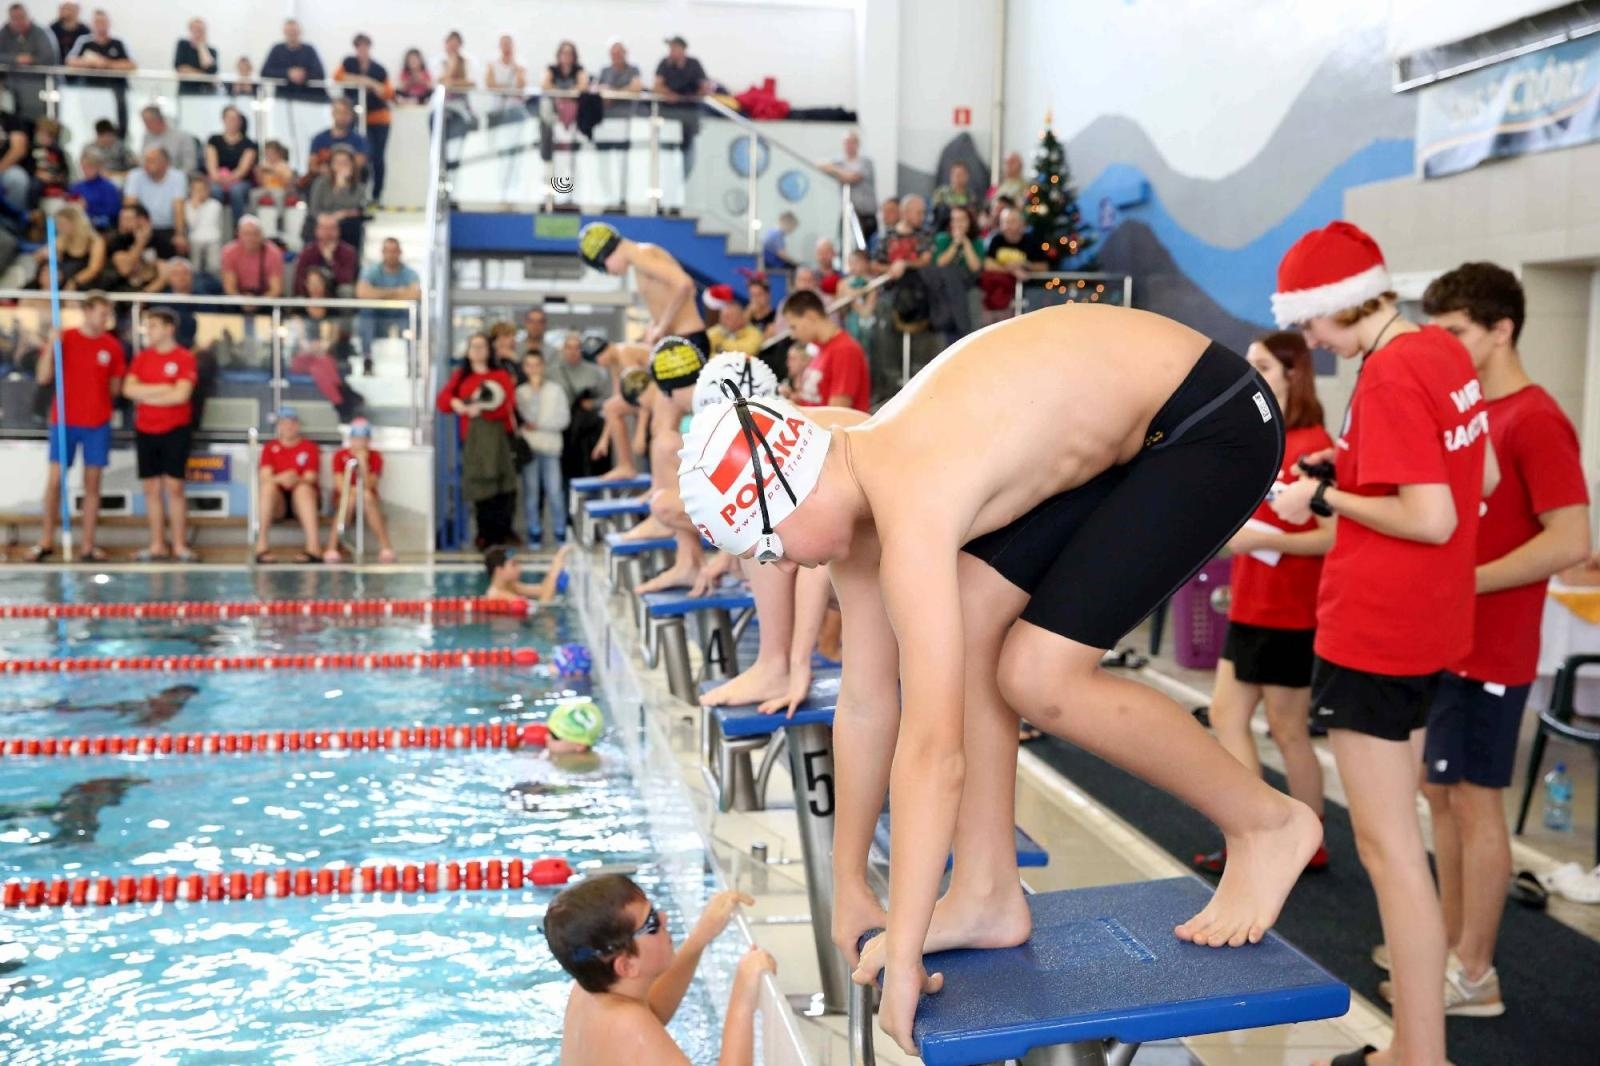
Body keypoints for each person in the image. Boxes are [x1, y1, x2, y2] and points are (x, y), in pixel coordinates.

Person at [678, 303, 1319, 1055]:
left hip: (1210, 419)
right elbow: (868, 701)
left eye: (769, 548)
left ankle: (1267, 824)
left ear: (790, 494)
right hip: (1132, 423)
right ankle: (985, 891)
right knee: (976, 614)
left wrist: (905, 947)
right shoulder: (852, 460)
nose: (783, 566)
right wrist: (849, 880)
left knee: (1041, 676)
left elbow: (933, 751)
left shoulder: (911, 501)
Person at [1266, 222, 1492, 1066]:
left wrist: (1324, 502)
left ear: (1345, 302)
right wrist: (1341, 477)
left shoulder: (1391, 370)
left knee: (1390, 852)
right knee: (1403, 847)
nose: (1313, 340)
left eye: (1313, 322)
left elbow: (1430, 517)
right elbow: (1477, 482)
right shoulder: (1440, 350)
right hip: (1431, 625)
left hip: (1376, 633)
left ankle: (1418, 1053)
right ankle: (1414, 1046)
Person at [1400, 262, 1590, 1018]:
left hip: (1494, 647)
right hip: (1450, 641)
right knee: (1440, 795)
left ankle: (1475, 974)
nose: (1443, 347)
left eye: (1456, 333)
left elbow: (1571, 540)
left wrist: (1465, 582)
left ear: (1501, 330)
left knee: (1476, 803)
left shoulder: (1535, 418)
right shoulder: (1474, 413)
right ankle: (1449, 947)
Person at [1193, 332, 1333, 876]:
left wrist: (1260, 540)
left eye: (1264, 367)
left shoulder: (1314, 446)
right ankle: (1255, 831)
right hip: (1252, 602)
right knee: (1226, 715)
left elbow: (1334, 537)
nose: (1253, 375)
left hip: (1289, 609)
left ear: (1294, 374)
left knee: (1287, 729)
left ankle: (1309, 838)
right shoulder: (1266, 435)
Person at [544, 875, 773, 1066]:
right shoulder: (630, 1025)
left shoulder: (589, 991)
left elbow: (653, 1012)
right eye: (652, 923)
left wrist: (701, 936)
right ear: (626, 966)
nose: (664, 917)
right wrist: (743, 999)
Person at [27, 291, 123, 563]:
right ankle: (46, 540)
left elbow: (115, 387)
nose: (105, 319)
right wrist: (51, 344)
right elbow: (43, 377)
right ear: (87, 311)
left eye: (108, 314)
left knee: (92, 484)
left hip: (97, 422)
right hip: (64, 420)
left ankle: (87, 545)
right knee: (55, 481)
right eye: (102, 313)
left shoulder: (112, 346)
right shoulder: (65, 338)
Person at [123, 308, 197, 563]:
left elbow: (181, 395)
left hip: (175, 429)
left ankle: (179, 544)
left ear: (169, 328)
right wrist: (164, 388)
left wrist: (147, 394)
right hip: (146, 428)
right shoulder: (142, 358)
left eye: (153, 325)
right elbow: (128, 390)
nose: (148, 331)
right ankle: (157, 544)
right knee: (151, 488)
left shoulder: (184, 358)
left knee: (174, 487)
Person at [439, 333, 519, 549]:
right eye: (473, 346)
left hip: (498, 440)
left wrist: (482, 409)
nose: (477, 351)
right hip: (473, 442)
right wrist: (456, 403)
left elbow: (508, 406)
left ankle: (499, 534)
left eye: (481, 346)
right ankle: (484, 535)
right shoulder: (461, 376)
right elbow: (443, 401)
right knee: (479, 487)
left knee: (502, 488)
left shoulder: (500, 376)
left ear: (489, 350)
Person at [516, 350, 571, 547]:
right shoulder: (521, 392)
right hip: (530, 449)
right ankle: (534, 531)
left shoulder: (556, 390)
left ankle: (560, 531)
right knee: (531, 493)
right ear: (524, 368)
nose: (533, 369)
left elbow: (563, 419)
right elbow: (525, 418)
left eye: (537, 365)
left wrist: (540, 425)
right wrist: (535, 393)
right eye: (529, 365)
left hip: (551, 448)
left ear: (543, 366)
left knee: (555, 491)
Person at [781, 289, 870, 411]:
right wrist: (793, 400)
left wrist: (795, 408)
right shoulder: (820, 349)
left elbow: (837, 413)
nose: (793, 335)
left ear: (810, 316)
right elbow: (817, 402)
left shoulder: (845, 350)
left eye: (793, 327)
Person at [323, 417, 396, 563]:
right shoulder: (340, 455)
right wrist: (356, 491)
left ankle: (385, 547)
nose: (360, 443)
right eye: (356, 439)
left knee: (367, 496)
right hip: (344, 498)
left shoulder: (375, 457)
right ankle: (332, 547)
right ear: (350, 439)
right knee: (350, 499)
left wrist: (363, 462)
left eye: (363, 439)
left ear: (369, 440)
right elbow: (341, 486)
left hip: (367, 500)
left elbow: (369, 485)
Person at [254, 406, 321, 564]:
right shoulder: (270, 448)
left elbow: (311, 477)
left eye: (292, 423)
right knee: (268, 488)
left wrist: (295, 479)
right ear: (279, 426)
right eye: (284, 423)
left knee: (303, 489)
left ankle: (314, 547)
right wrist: (282, 478)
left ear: (298, 425)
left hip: (302, 503)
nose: (288, 426)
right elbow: (265, 476)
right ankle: (261, 546)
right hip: (279, 505)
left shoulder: (309, 447)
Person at [335, 34, 393, 200]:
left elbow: (387, 92)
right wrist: (361, 80)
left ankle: (376, 195)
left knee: (377, 157)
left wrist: (371, 83)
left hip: (377, 118)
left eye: (365, 46)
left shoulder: (379, 69)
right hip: (355, 118)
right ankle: (355, 192)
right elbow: (338, 77)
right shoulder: (349, 63)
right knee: (355, 155)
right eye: (359, 46)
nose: (362, 49)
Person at [63, 7, 132, 137]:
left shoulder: (118, 43)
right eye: (97, 22)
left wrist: (107, 64)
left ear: (109, 24)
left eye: (103, 22)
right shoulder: (85, 42)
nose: (100, 26)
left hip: (115, 91)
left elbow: (130, 64)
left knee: (116, 123)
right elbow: (70, 61)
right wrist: (90, 63)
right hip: (91, 90)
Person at [355, 237, 420, 365]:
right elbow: (362, 293)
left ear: (400, 252)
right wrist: (398, 292)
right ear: (382, 252)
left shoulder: (410, 273)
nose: (391, 255)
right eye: (388, 251)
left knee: (412, 315)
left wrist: (377, 293)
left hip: (400, 316)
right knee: (366, 313)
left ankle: (411, 361)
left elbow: (415, 294)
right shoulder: (371, 271)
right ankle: (367, 359)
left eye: (394, 251)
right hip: (377, 316)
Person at [653, 35, 708, 173]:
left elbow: (704, 87)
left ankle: (684, 176)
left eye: (674, 47)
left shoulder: (694, 64)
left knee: (688, 149)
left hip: (688, 115)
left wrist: (689, 96)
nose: (671, 51)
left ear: (682, 49)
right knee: (666, 148)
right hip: (668, 114)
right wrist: (670, 94)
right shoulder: (664, 64)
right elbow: (657, 86)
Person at [121, 147, 187, 258]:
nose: (146, 164)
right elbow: (130, 206)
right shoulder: (134, 175)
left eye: (151, 161)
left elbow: (178, 208)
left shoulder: (178, 177)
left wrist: (179, 234)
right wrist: (141, 228)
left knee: (178, 245)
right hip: (140, 226)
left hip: (167, 227)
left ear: (165, 163)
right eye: (145, 160)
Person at [0, 3, 59, 121]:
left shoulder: (41, 33)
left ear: (27, 16)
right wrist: (15, 59)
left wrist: (32, 59)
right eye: (14, 18)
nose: (18, 22)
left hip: (39, 87)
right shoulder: (4, 33)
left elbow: (49, 57)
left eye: (21, 17)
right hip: (10, 87)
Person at [819, 130, 877, 246]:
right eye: (846, 142)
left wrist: (838, 172)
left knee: (863, 247)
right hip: (847, 213)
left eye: (852, 142)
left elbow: (853, 178)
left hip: (866, 214)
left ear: (858, 144)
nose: (849, 146)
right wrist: (840, 172)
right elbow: (820, 164)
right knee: (843, 245)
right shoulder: (839, 162)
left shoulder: (865, 162)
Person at [29, 201, 102, 290]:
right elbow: (37, 257)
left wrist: (74, 282)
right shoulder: (61, 239)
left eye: (63, 224)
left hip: (83, 282)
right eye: (58, 224)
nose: (60, 228)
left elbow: (93, 269)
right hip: (61, 281)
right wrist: (44, 254)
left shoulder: (94, 241)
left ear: (75, 223)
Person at [304, 145, 365, 247]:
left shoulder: (358, 187)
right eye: (337, 162)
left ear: (352, 164)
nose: (341, 166)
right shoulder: (321, 182)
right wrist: (327, 219)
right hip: (321, 220)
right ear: (331, 164)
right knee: (314, 225)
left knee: (351, 225)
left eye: (345, 162)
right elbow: (314, 208)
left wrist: (342, 187)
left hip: (344, 223)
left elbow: (353, 207)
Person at [203, 104, 256, 222]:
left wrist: (229, 179)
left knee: (236, 191)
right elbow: (211, 164)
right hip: (217, 179)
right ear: (223, 120)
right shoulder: (214, 140)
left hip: (240, 181)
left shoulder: (249, 144)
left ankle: (239, 226)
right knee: (215, 190)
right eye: (229, 118)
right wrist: (217, 177)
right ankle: (214, 224)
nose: (232, 121)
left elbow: (243, 169)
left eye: (235, 118)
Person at [219, 214, 284, 309]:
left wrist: (258, 303)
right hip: (237, 299)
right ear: (238, 234)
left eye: (255, 234)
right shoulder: (229, 252)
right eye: (247, 234)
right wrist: (243, 301)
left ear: (261, 235)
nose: (251, 238)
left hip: (265, 300)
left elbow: (276, 289)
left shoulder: (274, 253)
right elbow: (229, 288)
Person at [307, 98, 371, 184]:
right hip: (324, 183)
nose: (342, 116)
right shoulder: (319, 139)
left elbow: (359, 163)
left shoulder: (359, 140)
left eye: (346, 113)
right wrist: (322, 170)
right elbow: (312, 165)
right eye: (339, 112)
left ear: (351, 115)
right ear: (333, 113)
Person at [260, 19, 325, 102]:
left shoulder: (309, 50)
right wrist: (287, 73)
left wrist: (303, 74)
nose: (292, 34)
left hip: (308, 97)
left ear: (300, 32)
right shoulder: (277, 49)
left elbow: (320, 74)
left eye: (294, 31)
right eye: (289, 31)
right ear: (284, 32)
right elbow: (265, 72)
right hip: (282, 97)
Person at [294, 213, 358, 297]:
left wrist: (331, 261)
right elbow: (299, 280)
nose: (328, 232)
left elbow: (346, 279)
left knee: (346, 290)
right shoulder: (307, 252)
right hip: (311, 293)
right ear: (317, 230)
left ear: (338, 231)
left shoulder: (348, 252)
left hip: (336, 293)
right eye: (324, 228)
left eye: (332, 228)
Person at [245, 140, 297, 239]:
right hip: (266, 188)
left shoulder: (283, 165)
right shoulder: (264, 164)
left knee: (279, 195)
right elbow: (260, 182)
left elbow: (288, 181)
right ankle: (253, 216)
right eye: (267, 154)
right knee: (253, 194)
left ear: (278, 154)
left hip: (279, 188)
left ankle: (280, 218)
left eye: (272, 154)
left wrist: (274, 171)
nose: (269, 157)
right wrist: (258, 173)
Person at [483, 544, 570, 603]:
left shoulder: (511, 585)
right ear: (499, 571)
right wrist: (557, 562)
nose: (519, 568)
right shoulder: (496, 596)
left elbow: (542, 589)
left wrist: (555, 568)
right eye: (514, 564)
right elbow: (544, 605)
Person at [177, 172, 222, 276]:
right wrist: (195, 207)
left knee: (214, 265)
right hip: (195, 239)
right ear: (191, 191)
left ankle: (213, 278)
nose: (200, 193)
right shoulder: (188, 205)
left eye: (202, 189)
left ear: (208, 190)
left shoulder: (215, 204)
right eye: (196, 190)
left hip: (212, 238)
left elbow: (217, 226)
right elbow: (192, 224)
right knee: (195, 265)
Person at [69, 146, 120, 231]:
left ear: (98, 167)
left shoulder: (108, 187)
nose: (86, 170)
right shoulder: (76, 187)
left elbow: (113, 212)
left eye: (90, 167)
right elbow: (69, 208)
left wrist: (88, 207)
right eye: (84, 167)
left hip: (102, 227)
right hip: (79, 226)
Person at [704, 286, 763, 356]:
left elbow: (748, 350)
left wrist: (721, 345)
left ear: (740, 318)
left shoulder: (754, 333)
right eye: (722, 317)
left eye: (728, 317)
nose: (723, 321)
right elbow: (704, 345)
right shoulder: (717, 330)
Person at [138, 106, 198, 174]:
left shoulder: (183, 137)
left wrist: (174, 177)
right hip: (150, 177)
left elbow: (190, 165)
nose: (145, 126)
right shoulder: (147, 136)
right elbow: (143, 160)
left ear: (158, 120)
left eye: (147, 122)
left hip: (177, 177)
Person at [172, 16, 217, 96]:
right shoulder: (183, 45)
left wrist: (201, 46)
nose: (199, 33)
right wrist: (204, 76)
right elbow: (180, 68)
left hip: (206, 95)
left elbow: (211, 72)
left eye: (201, 30)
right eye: (196, 30)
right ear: (190, 30)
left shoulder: (212, 51)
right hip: (186, 92)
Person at [930, 161, 976, 229]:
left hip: (964, 228)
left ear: (966, 176)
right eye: (955, 174)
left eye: (960, 174)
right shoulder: (941, 192)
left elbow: (972, 214)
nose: (957, 177)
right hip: (944, 228)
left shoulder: (970, 196)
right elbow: (935, 212)